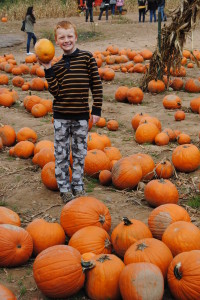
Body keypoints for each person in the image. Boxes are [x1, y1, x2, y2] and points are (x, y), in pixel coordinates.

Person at [41, 21, 103, 203]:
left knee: (79, 153)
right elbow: (56, 92)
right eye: (62, 37)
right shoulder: (57, 66)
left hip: (82, 117)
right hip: (61, 117)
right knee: (60, 154)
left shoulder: (87, 58)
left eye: (69, 36)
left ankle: (78, 185)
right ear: (56, 41)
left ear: (75, 37)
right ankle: (64, 189)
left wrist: (96, 108)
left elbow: (96, 85)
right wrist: (48, 70)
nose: (66, 40)